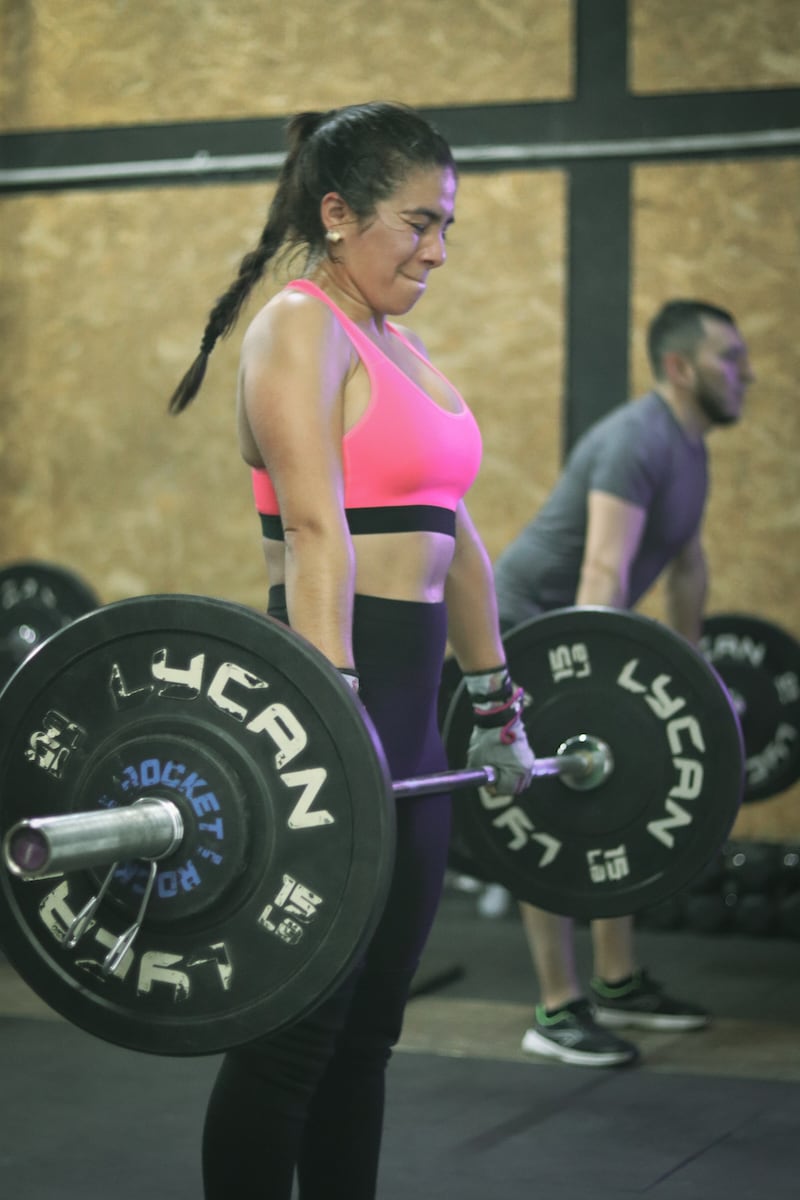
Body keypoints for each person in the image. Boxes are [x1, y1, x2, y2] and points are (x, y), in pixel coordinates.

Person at [167, 101, 535, 1199]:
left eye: (445, 226)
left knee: (370, 1029)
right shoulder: (298, 326)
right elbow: (317, 529)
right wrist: (335, 727)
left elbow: (455, 535)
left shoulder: (396, 340)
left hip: (413, 723)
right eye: (416, 224)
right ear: (337, 215)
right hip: (330, 700)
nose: (435, 249)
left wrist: (499, 704)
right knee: (294, 1032)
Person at [492, 298, 755, 1068]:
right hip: (531, 629)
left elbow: (687, 565)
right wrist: (600, 692)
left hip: (584, 631)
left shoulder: (688, 446)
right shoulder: (636, 439)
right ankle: (556, 1006)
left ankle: (614, 982)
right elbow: (602, 568)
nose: (745, 373)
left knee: (622, 790)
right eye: (728, 358)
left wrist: (692, 670)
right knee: (551, 802)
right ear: (680, 367)